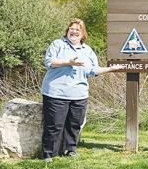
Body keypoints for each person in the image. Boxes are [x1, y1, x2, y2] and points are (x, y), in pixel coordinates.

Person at [41, 18, 122, 163]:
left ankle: (70, 150)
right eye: (71, 29)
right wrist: (69, 62)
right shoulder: (57, 44)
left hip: (79, 95)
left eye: (78, 30)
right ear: (67, 31)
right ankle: (49, 154)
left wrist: (110, 69)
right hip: (56, 93)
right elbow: (49, 62)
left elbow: (93, 70)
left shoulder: (88, 50)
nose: (74, 32)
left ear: (83, 34)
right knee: (54, 125)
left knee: (74, 124)